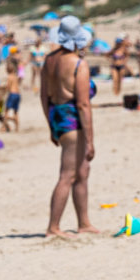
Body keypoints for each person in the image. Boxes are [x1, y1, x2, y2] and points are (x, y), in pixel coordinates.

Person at [41, 16, 98, 238]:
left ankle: (83, 222)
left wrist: (51, 126)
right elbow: (83, 104)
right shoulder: (78, 64)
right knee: (67, 174)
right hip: (73, 119)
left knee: (82, 171)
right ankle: (53, 227)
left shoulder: (49, 61)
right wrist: (91, 141)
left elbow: (43, 96)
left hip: (57, 114)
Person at [0, 60, 21, 132]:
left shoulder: (9, 77)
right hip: (18, 95)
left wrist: (3, 92)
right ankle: (17, 128)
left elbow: (8, 87)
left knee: (6, 112)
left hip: (12, 94)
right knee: (15, 112)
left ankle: (3, 127)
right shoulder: (15, 76)